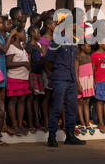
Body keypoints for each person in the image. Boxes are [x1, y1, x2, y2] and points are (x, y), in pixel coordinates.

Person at [45, 14, 86, 147]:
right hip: (60, 77)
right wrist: (53, 75)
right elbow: (49, 61)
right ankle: (51, 136)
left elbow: (74, 60)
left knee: (72, 107)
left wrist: (76, 79)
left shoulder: (74, 40)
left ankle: (70, 135)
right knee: (57, 107)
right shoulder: (56, 40)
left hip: (71, 78)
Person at [6, 25, 31, 136]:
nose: (25, 35)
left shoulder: (22, 46)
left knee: (22, 101)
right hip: (14, 78)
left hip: (24, 78)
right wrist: (23, 63)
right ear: (18, 34)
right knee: (13, 101)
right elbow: (8, 64)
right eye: (23, 33)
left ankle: (20, 124)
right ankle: (14, 125)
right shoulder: (11, 47)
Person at [25, 25, 45, 132]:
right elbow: (29, 62)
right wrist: (29, 79)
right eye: (38, 32)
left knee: (37, 99)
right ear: (32, 33)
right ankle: (31, 122)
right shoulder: (29, 47)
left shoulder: (38, 45)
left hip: (39, 74)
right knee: (31, 99)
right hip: (32, 74)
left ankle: (37, 121)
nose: (39, 34)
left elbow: (40, 59)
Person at [75, 43, 95, 136]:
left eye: (90, 46)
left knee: (87, 102)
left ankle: (87, 123)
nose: (90, 47)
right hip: (81, 82)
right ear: (82, 47)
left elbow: (92, 71)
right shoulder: (78, 57)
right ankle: (82, 123)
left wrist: (93, 82)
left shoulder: (89, 57)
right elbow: (76, 72)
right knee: (80, 102)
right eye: (88, 46)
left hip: (89, 82)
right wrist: (78, 84)